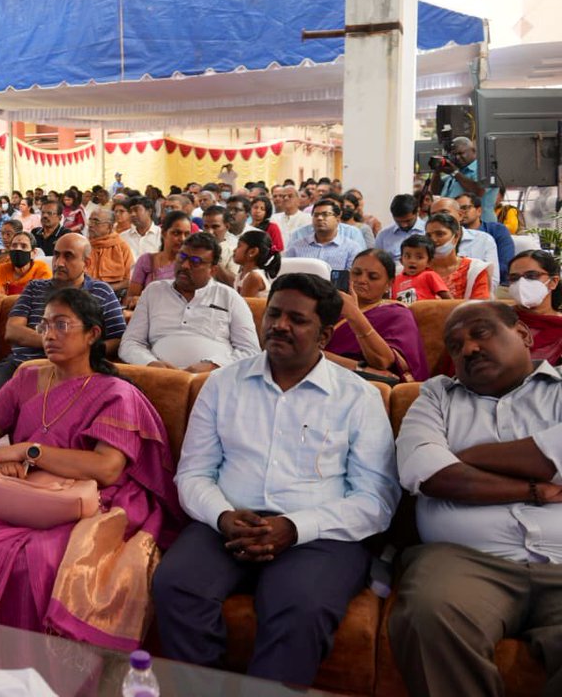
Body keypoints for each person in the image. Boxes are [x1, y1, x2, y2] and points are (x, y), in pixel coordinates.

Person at [152, 273, 400, 687]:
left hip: (320, 534)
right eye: (275, 314)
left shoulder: (358, 397)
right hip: (228, 523)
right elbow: (194, 472)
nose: (280, 325)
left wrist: (295, 527)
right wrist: (222, 516)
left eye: (297, 320)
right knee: (177, 586)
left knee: (299, 607)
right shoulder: (222, 383)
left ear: (323, 335)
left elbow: (377, 499)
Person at [0, 288, 184, 647]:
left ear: (92, 334)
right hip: (25, 495)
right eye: (44, 325)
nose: (48, 334)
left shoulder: (115, 392)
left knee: (35, 561)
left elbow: (107, 468)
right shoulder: (27, 378)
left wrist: (29, 452)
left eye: (62, 325)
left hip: (90, 504)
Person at [389, 301, 562, 696]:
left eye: (480, 333)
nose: (467, 349)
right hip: (462, 561)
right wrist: (534, 488)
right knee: (429, 614)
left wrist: (467, 456)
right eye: (455, 344)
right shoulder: (436, 396)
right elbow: (425, 470)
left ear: (522, 334)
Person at [0, 234, 125, 422]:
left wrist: (78, 354)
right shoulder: (35, 287)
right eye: (56, 255)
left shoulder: (102, 292)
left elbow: (117, 339)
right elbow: (13, 331)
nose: (59, 262)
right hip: (20, 364)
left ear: (86, 263)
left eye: (68, 256)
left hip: (74, 370)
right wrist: (58, 343)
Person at [121, 232, 261, 372]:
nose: (185, 265)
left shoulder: (229, 297)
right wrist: (151, 364)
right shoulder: (154, 291)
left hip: (213, 378)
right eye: (182, 257)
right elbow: (130, 343)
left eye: (195, 261)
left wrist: (213, 365)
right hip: (159, 378)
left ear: (213, 270)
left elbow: (250, 350)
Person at [324, 249, 429, 382]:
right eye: (356, 273)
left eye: (372, 277)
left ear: (389, 284)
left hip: (366, 384)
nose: (361, 280)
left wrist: (354, 315)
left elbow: (383, 362)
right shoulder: (328, 307)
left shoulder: (397, 314)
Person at [125, 210, 191, 310]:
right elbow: (129, 299)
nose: (182, 239)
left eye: (187, 234)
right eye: (176, 233)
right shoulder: (147, 261)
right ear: (164, 233)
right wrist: (138, 300)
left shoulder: (193, 265)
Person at [506, 250, 562, 365]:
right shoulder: (499, 318)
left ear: (553, 282)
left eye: (532, 276)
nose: (521, 282)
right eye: (514, 278)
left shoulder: (559, 326)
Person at [429, 136, 497, 222]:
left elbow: (479, 191)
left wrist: (455, 173)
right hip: (455, 223)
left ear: (473, 151)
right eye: (453, 154)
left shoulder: (484, 169)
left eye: (461, 153)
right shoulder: (456, 172)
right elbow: (435, 191)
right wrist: (437, 171)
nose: (457, 157)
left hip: (480, 224)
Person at [424, 213, 490, 300]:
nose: (433, 240)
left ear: (456, 236)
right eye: (428, 236)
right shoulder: (416, 268)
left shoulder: (474, 269)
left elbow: (480, 307)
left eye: (440, 234)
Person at [286, 199, 362, 272]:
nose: (319, 218)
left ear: (338, 219)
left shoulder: (351, 248)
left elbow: (351, 279)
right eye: (316, 215)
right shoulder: (296, 247)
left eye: (325, 214)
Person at [431, 197, 498, 279]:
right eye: (433, 214)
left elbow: (492, 279)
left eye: (444, 212)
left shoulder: (484, 240)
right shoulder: (426, 242)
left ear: (460, 215)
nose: (438, 218)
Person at [456, 191, 514, 285]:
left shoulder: (497, 230)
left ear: (479, 211)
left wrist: (473, 274)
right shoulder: (453, 235)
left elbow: (505, 266)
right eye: (457, 210)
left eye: (465, 208)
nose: (461, 213)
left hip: (498, 284)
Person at [83, 206, 135, 293]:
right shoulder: (83, 245)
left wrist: (103, 290)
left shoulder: (121, 247)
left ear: (109, 227)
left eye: (96, 221)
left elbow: (128, 280)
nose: (91, 225)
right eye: (90, 220)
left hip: (112, 294)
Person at [393, 236, 451, 303]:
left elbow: (449, 300)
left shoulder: (429, 275)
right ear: (401, 261)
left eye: (419, 257)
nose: (412, 261)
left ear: (429, 262)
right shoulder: (396, 280)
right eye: (407, 256)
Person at [0, 232, 50, 296]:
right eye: (14, 245)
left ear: (33, 253)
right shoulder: (3, 269)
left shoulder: (42, 270)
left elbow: (41, 299)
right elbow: (0, 297)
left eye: (24, 246)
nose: (18, 249)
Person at [233, 228, 281, 299]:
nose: (234, 250)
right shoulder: (242, 274)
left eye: (239, 246)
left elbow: (242, 306)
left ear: (252, 252)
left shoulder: (254, 277)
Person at [374, 194, 425, 259]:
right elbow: (377, 261)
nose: (403, 225)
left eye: (408, 221)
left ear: (417, 211)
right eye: (398, 221)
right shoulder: (383, 235)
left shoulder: (428, 231)